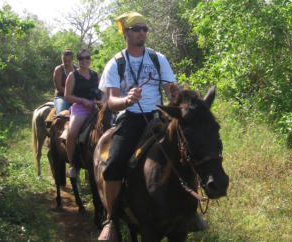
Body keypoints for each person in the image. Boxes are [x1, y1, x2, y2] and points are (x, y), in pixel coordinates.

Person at [97, 11, 204, 240]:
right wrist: (126, 100)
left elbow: (170, 89)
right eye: (137, 29)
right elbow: (112, 102)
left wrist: (175, 93)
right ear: (126, 33)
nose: (142, 32)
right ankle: (111, 219)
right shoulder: (116, 63)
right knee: (114, 164)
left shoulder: (157, 58)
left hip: (157, 115)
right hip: (130, 118)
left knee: (187, 152)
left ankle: (190, 212)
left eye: (145, 28)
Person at [64, 49, 100, 178]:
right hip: (80, 108)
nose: (85, 60)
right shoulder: (73, 76)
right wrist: (82, 100)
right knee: (72, 132)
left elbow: (102, 92)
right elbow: (67, 96)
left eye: (87, 58)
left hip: (96, 108)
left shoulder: (95, 75)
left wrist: (100, 101)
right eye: (81, 58)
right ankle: (73, 164)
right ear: (77, 61)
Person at [53, 49, 76, 114]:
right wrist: (70, 94)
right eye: (64, 60)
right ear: (62, 59)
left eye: (68, 61)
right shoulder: (59, 69)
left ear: (72, 59)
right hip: (61, 97)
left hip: (75, 97)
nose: (66, 63)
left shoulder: (76, 69)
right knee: (62, 114)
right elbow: (59, 87)